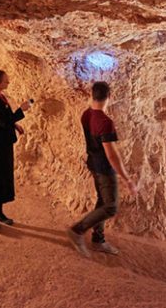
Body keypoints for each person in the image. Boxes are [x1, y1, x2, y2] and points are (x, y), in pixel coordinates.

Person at [67, 81, 138, 257]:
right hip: (105, 169)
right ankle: (77, 230)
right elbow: (112, 155)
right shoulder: (106, 122)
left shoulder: (86, 115)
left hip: (93, 164)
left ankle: (98, 239)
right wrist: (127, 179)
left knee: (102, 201)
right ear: (109, 97)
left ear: (92, 95)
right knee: (111, 207)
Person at [0, 70, 32, 231]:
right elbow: (3, 121)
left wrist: (15, 125)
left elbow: (4, 118)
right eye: (5, 81)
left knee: (4, 178)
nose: (8, 83)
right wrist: (21, 110)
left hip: (4, 142)